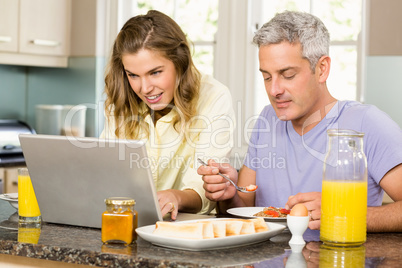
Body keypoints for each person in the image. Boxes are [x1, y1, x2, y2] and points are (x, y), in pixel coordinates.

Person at [198, 10, 402, 232]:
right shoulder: (267, 119)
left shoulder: (367, 123)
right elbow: (244, 207)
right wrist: (227, 194)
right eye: (267, 77)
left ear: (322, 69)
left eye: (288, 75)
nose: (274, 90)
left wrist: (342, 213)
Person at [100, 10, 235, 220]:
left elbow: (205, 189)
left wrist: (176, 197)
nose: (145, 88)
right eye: (133, 75)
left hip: (183, 231)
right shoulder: (121, 101)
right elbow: (105, 172)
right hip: (126, 223)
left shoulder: (214, 97)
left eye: (155, 72)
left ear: (179, 63)